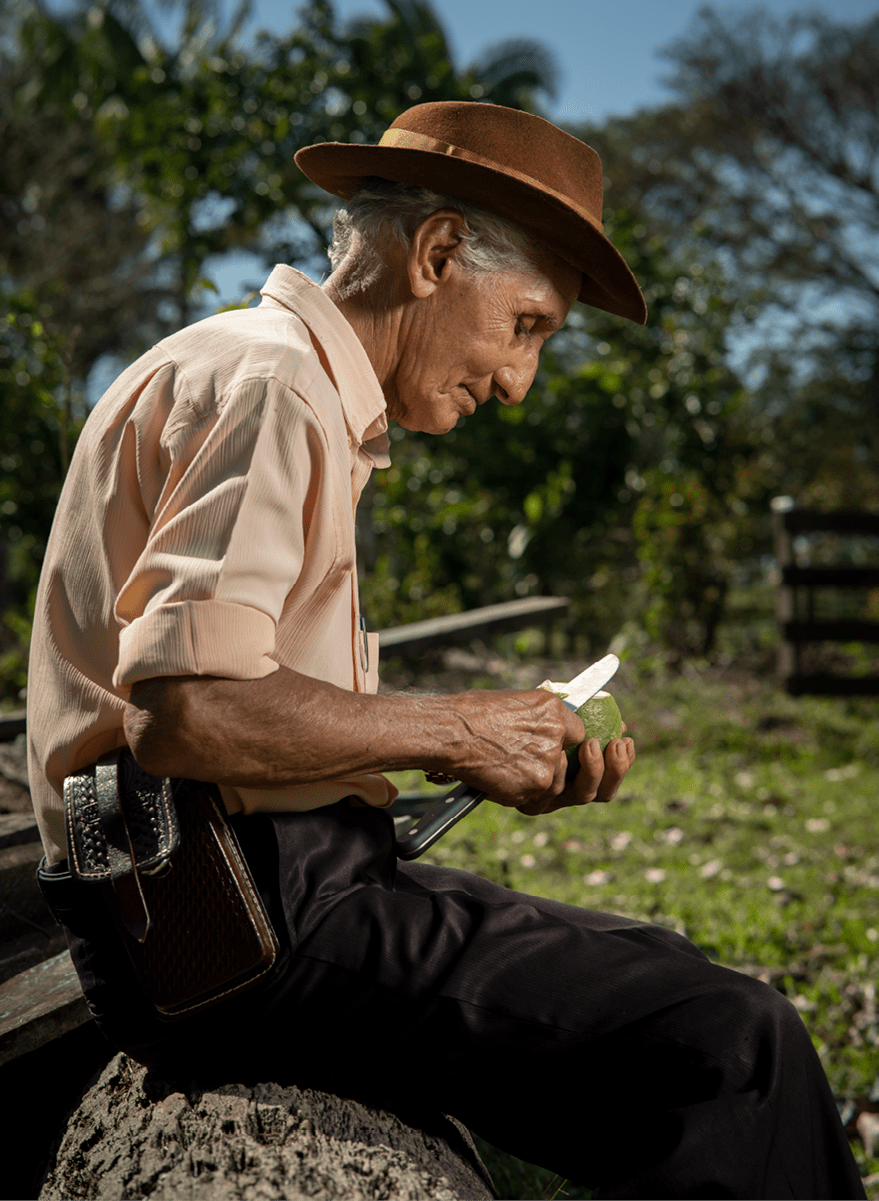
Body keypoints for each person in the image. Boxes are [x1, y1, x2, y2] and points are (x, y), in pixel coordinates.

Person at [28, 102, 866, 1199]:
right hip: (235, 929)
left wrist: (466, 755)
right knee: (732, 1044)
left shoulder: (248, 369)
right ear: (434, 255)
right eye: (527, 326)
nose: (520, 383)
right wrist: (462, 727)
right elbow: (184, 713)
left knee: (663, 972)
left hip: (238, 895)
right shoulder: (276, 386)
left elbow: (231, 714)